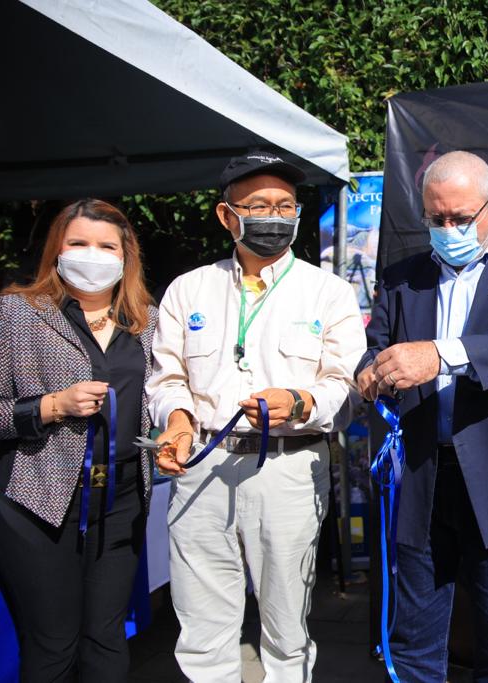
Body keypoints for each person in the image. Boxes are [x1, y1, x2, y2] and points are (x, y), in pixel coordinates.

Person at [147, 151, 365, 681]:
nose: (276, 217)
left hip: (288, 470)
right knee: (203, 627)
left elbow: (348, 386)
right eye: (260, 206)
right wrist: (177, 421)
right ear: (228, 216)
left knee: (287, 628)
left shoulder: (329, 292)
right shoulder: (188, 290)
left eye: (286, 206)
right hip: (203, 466)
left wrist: (301, 401)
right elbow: (167, 377)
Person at [356, 150, 488, 682]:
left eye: (459, 218)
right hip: (423, 477)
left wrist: (441, 354)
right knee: (414, 641)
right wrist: (373, 373)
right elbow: (374, 349)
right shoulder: (402, 277)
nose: (447, 230)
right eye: (436, 218)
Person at [0, 199, 158, 682]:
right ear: (57, 250)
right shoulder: (15, 313)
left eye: (107, 246)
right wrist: (50, 406)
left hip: (122, 500)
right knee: (53, 643)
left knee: (107, 637)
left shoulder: (148, 321)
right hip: (37, 500)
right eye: (78, 243)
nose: (93, 255)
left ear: (126, 257)